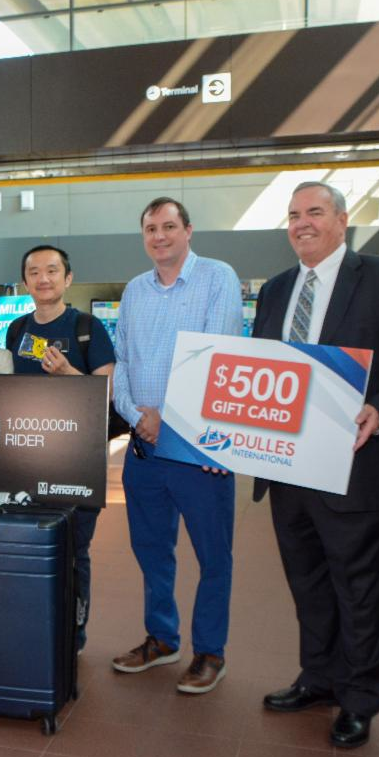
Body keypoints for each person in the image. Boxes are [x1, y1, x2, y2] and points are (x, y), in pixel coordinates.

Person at [252, 182, 379, 748]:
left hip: (356, 468)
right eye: (294, 214)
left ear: (342, 221)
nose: (302, 223)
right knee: (308, 584)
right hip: (288, 471)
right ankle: (319, 678)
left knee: (362, 590)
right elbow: (263, 370)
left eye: (315, 212)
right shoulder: (276, 290)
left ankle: (359, 698)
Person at [110, 197, 242, 694]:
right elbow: (122, 359)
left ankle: (211, 651)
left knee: (213, 555)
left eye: (169, 226)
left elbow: (220, 356)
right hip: (143, 447)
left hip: (199, 448)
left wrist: (170, 418)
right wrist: (135, 415)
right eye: (150, 228)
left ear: (189, 230)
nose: (159, 236)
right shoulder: (134, 291)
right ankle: (162, 639)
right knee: (152, 550)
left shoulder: (217, 278)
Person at [5, 244, 114, 652]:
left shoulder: (87, 328)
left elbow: (106, 393)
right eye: (34, 272)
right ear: (26, 282)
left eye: (52, 271)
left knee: (73, 550)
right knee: (28, 545)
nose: (43, 278)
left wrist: (68, 372)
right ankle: (32, 628)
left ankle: (73, 634)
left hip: (77, 465)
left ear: (68, 279)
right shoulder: (17, 331)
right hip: (27, 461)